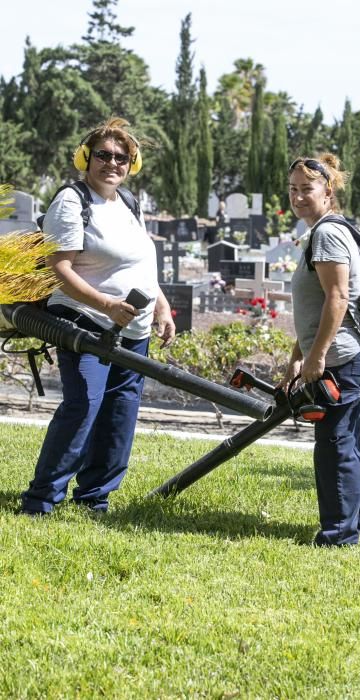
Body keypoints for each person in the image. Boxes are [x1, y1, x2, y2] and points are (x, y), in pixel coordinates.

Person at [20, 117, 176, 516]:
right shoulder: (73, 201)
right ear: (86, 158)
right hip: (86, 322)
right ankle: (41, 500)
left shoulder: (128, 202)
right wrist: (106, 305)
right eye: (103, 155)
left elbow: (139, 261)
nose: (112, 163)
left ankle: (95, 498)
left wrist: (160, 304)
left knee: (120, 412)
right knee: (84, 405)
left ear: (131, 164)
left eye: (121, 158)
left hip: (133, 327)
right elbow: (60, 269)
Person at [281, 154, 360, 546]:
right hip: (338, 355)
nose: (299, 196)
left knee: (335, 447)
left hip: (340, 358)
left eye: (308, 189)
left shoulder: (328, 234)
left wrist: (317, 356)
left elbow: (337, 298)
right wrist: (297, 356)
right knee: (349, 441)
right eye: (293, 189)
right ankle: (358, 523)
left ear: (328, 192)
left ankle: (338, 535)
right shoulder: (321, 231)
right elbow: (317, 307)